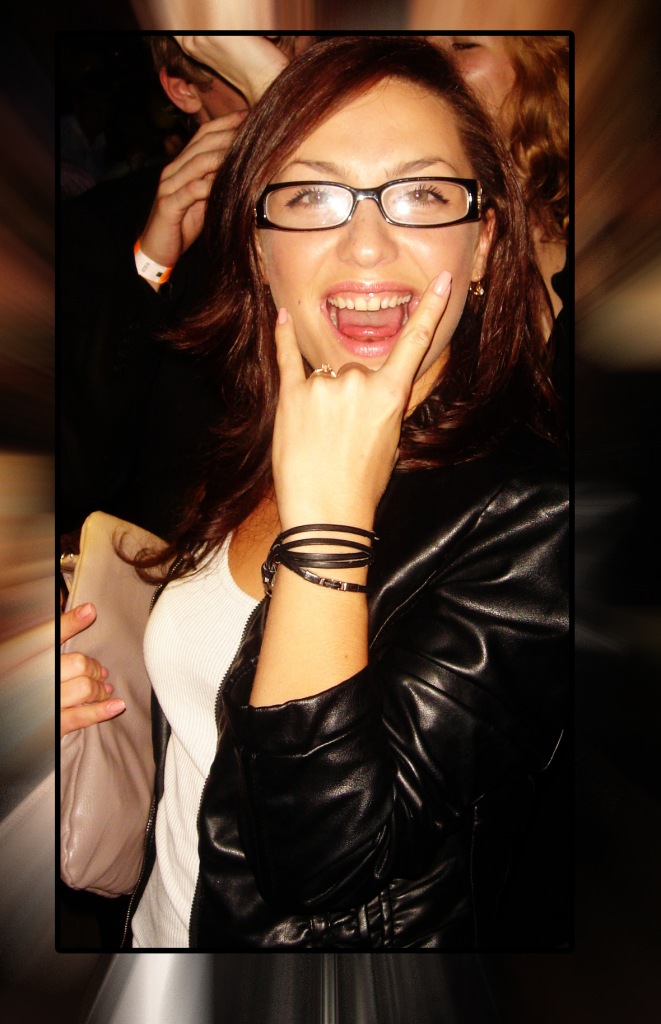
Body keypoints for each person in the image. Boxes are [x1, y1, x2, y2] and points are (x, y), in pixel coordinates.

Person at [63, 36, 568, 950]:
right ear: (259, 250)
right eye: (310, 197)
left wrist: (329, 532)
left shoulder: (537, 514)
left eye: (421, 195)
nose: (366, 244)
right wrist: (79, 689)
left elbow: (323, 866)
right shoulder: (264, 425)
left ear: (486, 241)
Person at [60, 35, 303, 541]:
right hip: (186, 552)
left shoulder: (357, 208)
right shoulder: (106, 222)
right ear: (183, 89)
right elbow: (82, 469)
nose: (291, 67)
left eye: (291, 46)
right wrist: (150, 267)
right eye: (261, 51)